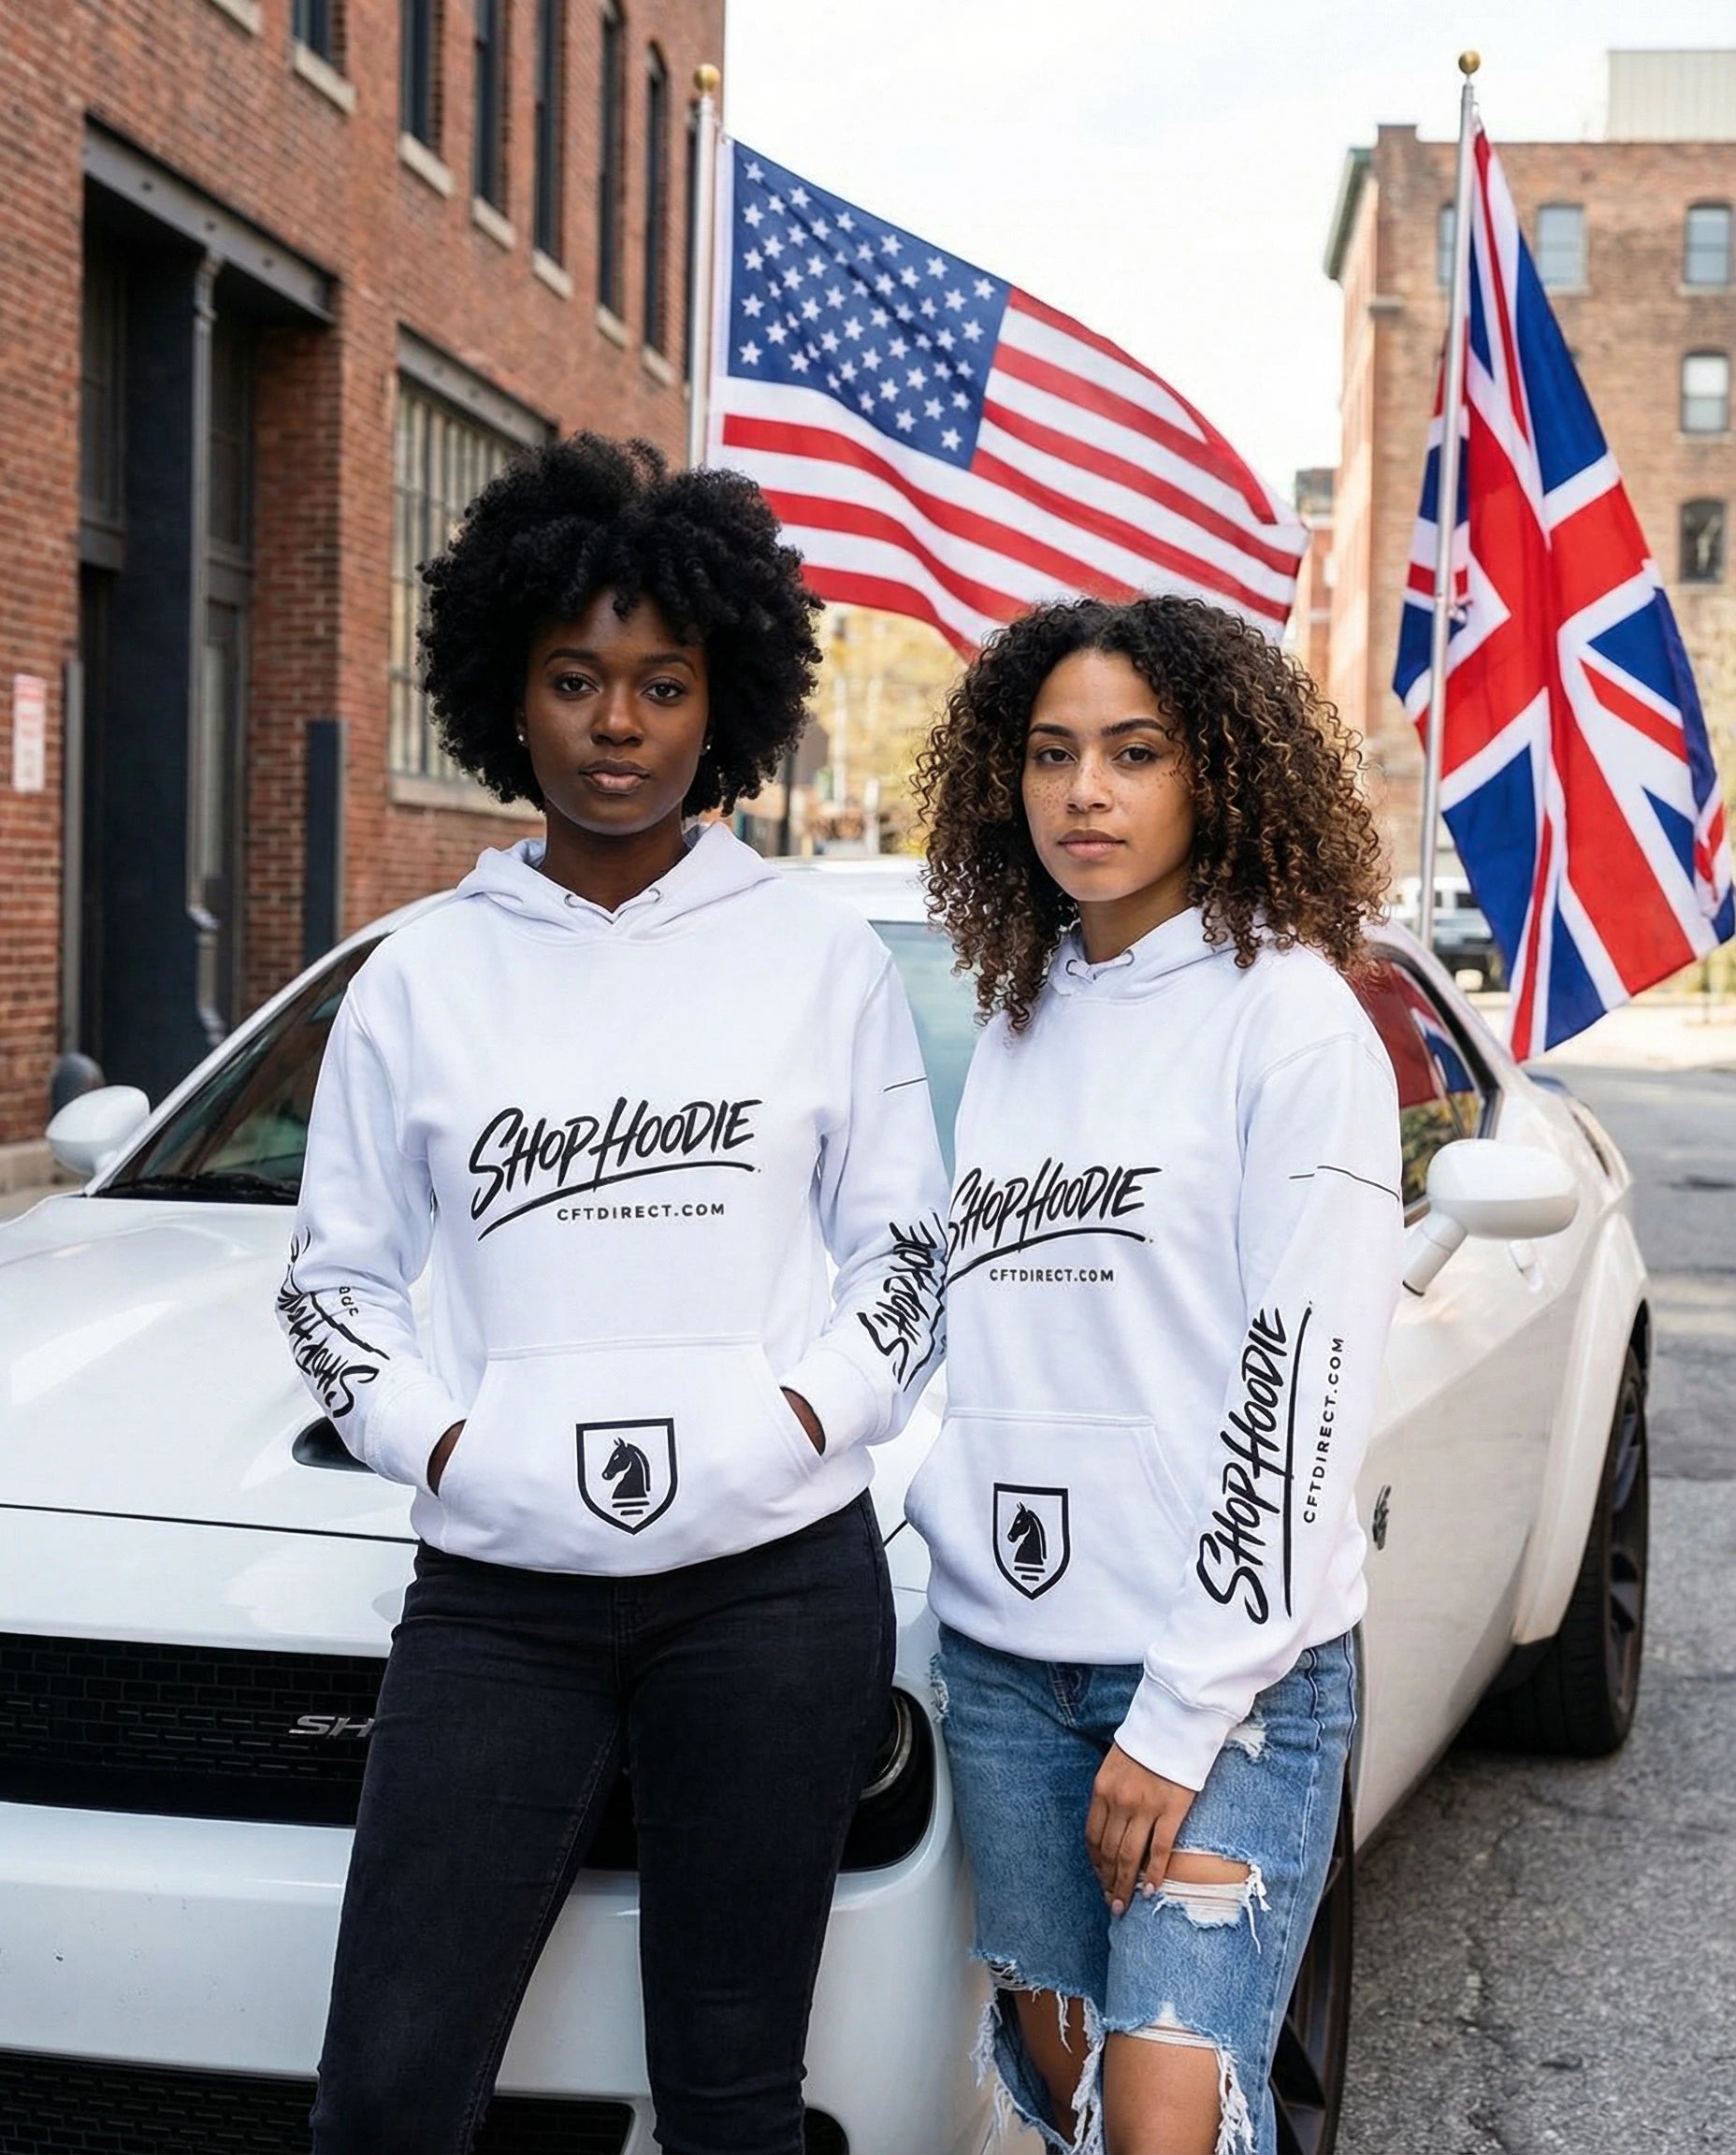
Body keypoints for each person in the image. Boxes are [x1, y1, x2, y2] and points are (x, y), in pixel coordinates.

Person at [276, 434, 948, 2155]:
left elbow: (907, 1260)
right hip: (500, 1601)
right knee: (387, 2090)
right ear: (511, 695)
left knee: (730, 2101)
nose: (618, 723)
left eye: (663, 683)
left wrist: (792, 1422)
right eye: (575, 679)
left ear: (725, 703)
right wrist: (448, 1451)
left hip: (773, 1590)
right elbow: (335, 1287)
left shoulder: (819, 959)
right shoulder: (423, 975)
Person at [907, 594, 1402, 2155]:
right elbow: (976, 1334)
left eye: (1135, 752)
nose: (1086, 793)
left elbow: (1303, 1392)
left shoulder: (1292, 1020)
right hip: (1006, 1667)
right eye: (1051, 755)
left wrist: (1181, 1712)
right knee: (1065, 2094)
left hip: (1224, 1680)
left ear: (1219, 773)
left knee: (1163, 2113)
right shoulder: (1018, 1017)